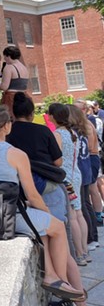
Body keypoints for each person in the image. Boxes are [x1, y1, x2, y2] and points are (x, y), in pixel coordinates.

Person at [0, 106, 84, 302]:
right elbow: (32, 195)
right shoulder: (15, 154)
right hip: (5, 215)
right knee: (56, 226)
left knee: (42, 228)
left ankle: (51, 274)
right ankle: (59, 280)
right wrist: (46, 211)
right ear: (7, 126)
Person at [48, 103, 89, 267]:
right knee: (79, 214)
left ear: (53, 116)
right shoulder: (72, 133)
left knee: (72, 216)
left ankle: (79, 254)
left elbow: (56, 159)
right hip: (75, 174)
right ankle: (85, 250)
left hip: (65, 179)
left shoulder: (58, 134)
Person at [67, 104, 99, 254]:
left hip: (81, 168)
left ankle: (91, 238)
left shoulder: (75, 131)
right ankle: (92, 237)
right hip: (84, 167)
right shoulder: (82, 128)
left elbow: (92, 148)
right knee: (86, 203)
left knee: (83, 205)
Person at [0, 46, 29, 117]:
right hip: (24, 97)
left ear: (9, 56)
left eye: (5, 56)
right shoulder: (24, 67)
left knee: (9, 119)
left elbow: (4, 87)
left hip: (11, 98)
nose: (4, 59)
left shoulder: (9, 68)